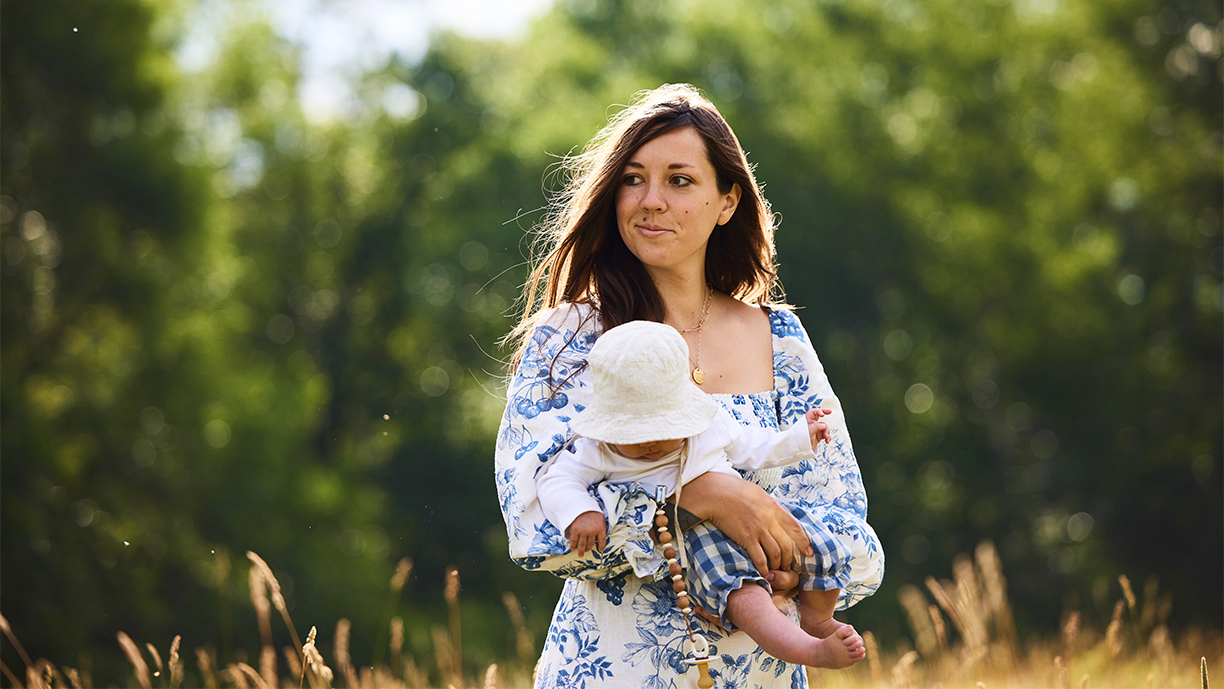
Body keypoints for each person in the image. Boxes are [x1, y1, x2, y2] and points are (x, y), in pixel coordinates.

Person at [495, 83, 884, 688]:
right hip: (608, 671)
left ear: (727, 201)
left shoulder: (779, 338)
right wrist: (694, 493)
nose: (651, 201)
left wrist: (783, 558)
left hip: (758, 675)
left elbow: (852, 531)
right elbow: (534, 525)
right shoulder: (568, 337)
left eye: (680, 180)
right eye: (632, 178)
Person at [535, 320, 865, 669]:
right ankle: (808, 652)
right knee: (743, 595)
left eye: (663, 428)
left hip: (757, 517)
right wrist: (580, 511)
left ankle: (818, 618)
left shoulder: (708, 424)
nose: (649, 443)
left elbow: (754, 446)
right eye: (634, 433)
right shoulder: (599, 449)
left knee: (822, 547)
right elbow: (557, 479)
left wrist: (801, 437)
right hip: (699, 537)